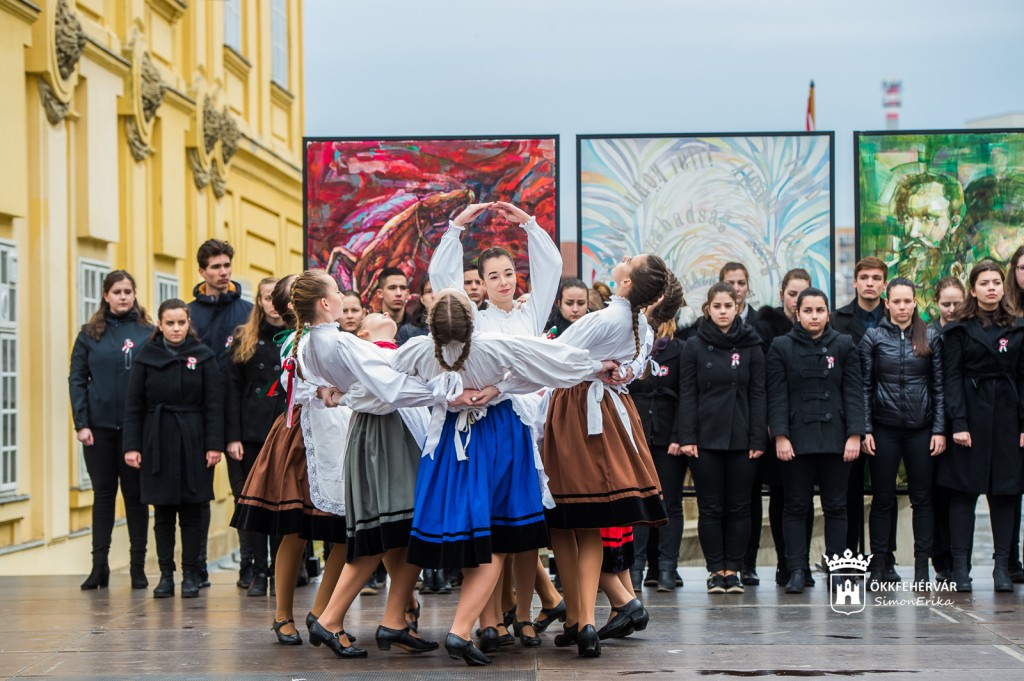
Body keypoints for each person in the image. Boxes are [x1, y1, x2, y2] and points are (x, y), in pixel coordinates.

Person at [390, 288, 616, 666]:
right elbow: (550, 361)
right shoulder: (491, 346)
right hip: (497, 436)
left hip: (448, 442)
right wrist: (596, 366)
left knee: (473, 530)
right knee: (495, 533)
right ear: (472, 320)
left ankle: (478, 624)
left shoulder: (418, 350)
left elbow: (386, 377)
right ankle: (466, 629)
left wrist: (443, 394)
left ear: (432, 325)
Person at [427, 200, 564, 648]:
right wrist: (455, 229)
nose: (504, 281)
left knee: (523, 528)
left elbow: (552, 268)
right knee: (489, 523)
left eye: (509, 273)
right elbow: (442, 283)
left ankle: (522, 615)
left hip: (526, 426)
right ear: (481, 285)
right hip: (485, 426)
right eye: (494, 276)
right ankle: (492, 619)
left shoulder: (531, 313)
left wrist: (528, 224)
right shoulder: (475, 320)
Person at [292, 272, 442, 659]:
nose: (343, 297)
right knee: (386, 530)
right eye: (337, 291)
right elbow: (388, 386)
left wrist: (339, 391)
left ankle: (394, 620)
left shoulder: (316, 342)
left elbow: (342, 386)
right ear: (325, 303)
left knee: (404, 531)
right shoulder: (340, 342)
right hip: (385, 431)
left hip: (377, 428)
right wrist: (444, 391)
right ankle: (330, 619)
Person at [542, 253, 678, 657]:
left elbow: (555, 357)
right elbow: (635, 366)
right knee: (587, 520)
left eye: (630, 261)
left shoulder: (606, 319)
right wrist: (613, 368)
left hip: (578, 410)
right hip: (611, 412)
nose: (623, 259)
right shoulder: (639, 323)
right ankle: (581, 619)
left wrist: (590, 363)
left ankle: (582, 618)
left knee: (574, 517)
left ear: (627, 283)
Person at [229, 275, 348, 645]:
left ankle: (322, 610)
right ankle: (283, 614)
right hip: (302, 438)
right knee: (296, 530)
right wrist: (325, 389)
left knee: (345, 531)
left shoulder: (332, 336)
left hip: (339, 434)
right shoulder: (295, 343)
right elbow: (295, 384)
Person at [122, 299, 224, 599]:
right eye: (170, 323)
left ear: (188, 323)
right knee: (163, 512)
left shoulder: (203, 356)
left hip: (194, 439)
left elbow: (214, 404)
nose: (176, 328)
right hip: (157, 440)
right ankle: (166, 575)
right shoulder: (146, 357)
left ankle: (191, 574)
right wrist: (132, 446)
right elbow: (133, 405)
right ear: (160, 324)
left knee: (192, 511)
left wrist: (213, 445)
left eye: (181, 322)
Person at [767, 287, 865, 594]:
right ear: (797, 314)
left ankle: (837, 569)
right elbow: (777, 395)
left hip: (836, 438)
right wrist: (780, 436)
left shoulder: (844, 344)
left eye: (820, 310)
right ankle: (797, 569)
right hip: (796, 440)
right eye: (807, 311)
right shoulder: (781, 346)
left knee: (836, 506)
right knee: (796, 505)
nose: (814, 316)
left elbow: (853, 392)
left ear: (828, 313)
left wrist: (855, 435)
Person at [938, 261, 1024, 592]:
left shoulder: (1017, 327)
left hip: (1006, 417)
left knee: (1005, 493)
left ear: (1003, 287)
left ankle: (1002, 568)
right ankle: (961, 568)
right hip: (970, 418)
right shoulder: (959, 329)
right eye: (984, 283)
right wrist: (958, 422)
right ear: (972, 290)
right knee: (964, 493)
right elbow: (951, 378)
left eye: (996, 282)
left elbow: (1022, 377)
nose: (991, 288)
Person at [69, 270, 154, 590]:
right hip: (99, 430)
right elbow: (77, 379)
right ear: (105, 295)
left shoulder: (148, 332)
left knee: (135, 497)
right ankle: (99, 567)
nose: (123, 297)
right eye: (117, 292)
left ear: (134, 294)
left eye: (128, 291)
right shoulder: (89, 334)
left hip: (135, 432)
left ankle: (137, 568)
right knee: (103, 496)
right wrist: (82, 423)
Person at [680, 282, 767, 594]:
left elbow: (758, 393)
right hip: (705, 439)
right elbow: (687, 394)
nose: (722, 311)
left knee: (740, 507)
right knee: (711, 508)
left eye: (728, 306)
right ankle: (716, 570)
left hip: (742, 438)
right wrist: (687, 436)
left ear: (737, 307)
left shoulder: (752, 345)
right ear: (708, 308)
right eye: (716, 306)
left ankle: (735, 570)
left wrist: (758, 439)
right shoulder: (694, 345)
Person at [859, 277, 945, 586]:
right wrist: (866, 429)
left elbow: (938, 388)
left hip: (921, 430)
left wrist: (939, 430)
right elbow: (865, 387)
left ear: (915, 302)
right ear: (887, 303)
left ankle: (922, 569)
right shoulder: (873, 337)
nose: (902, 307)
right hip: (884, 429)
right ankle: (879, 565)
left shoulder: (930, 336)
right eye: (896, 301)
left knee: (922, 499)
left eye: (908, 301)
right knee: (883, 499)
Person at [187, 239, 253, 587]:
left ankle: (249, 564)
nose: (223, 272)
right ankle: (197, 567)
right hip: (199, 415)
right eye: (215, 267)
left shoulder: (247, 312)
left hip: (239, 415)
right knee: (197, 493)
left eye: (226, 265)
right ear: (202, 271)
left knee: (245, 493)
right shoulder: (189, 314)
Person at [225, 277, 288, 596]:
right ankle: (258, 571)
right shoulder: (244, 337)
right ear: (259, 302)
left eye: (278, 298)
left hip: (286, 428)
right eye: (267, 297)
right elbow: (232, 389)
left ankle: (280, 572)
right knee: (253, 503)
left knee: (281, 503)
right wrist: (232, 437)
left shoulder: (296, 336)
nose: (273, 304)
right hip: (251, 432)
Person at [749, 268, 813, 587]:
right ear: (782, 295)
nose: (797, 300)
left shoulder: (819, 328)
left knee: (804, 496)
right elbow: (763, 380)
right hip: (777, 424)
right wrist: (771, 425)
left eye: (803, 294)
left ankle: (802, 564)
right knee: (780, 493)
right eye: (792, 294)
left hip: (811, 423)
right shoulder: (765, 329)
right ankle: (784, 563)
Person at [630, 282, 688, 593]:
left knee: (671, 504)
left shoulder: (681, 351)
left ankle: (667, 567)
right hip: (638, 437)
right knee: (639, 502)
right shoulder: (634, 349)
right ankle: (635, 568)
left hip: (669, 439)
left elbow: (686, 396)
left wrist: (679, 434)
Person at [831, 256, 888, 562]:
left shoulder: (895, 316)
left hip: (887, 412)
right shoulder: (837, 320)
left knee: (884, 492)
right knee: (848, 491)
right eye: (864, 277)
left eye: (876, 278)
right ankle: (848, 557)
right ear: (854, 282)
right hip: (848, 415)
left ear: (884, 284)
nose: (870, 283)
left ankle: (884, 558)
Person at [930, 277, 966, 582]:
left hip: (961, 424)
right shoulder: (928, 334)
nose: (952, 309)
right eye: (946, 304)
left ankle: (958, 560)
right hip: (932, 424)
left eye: (957, 303)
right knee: (936, 495)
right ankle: (940, 559)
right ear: (935, 304)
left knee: (959, 494)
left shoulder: (967, 332)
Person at [892, 172, 967, 317]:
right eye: (908, 218)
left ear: (953, 223)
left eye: (927, 218)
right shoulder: (890, 280)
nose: (913, 232)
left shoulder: (966, 278)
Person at [1004, 246, 1024, 583]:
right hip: (1013, 409)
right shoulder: (1007, 314)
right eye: (1023, 267)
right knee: (1012, 488)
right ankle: (1010, 558)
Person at [397, 278, 435, 346]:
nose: (433, 295)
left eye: (438, 290)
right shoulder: (407, 331)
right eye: (429, 291)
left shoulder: (455, 327)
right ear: (422, 299)